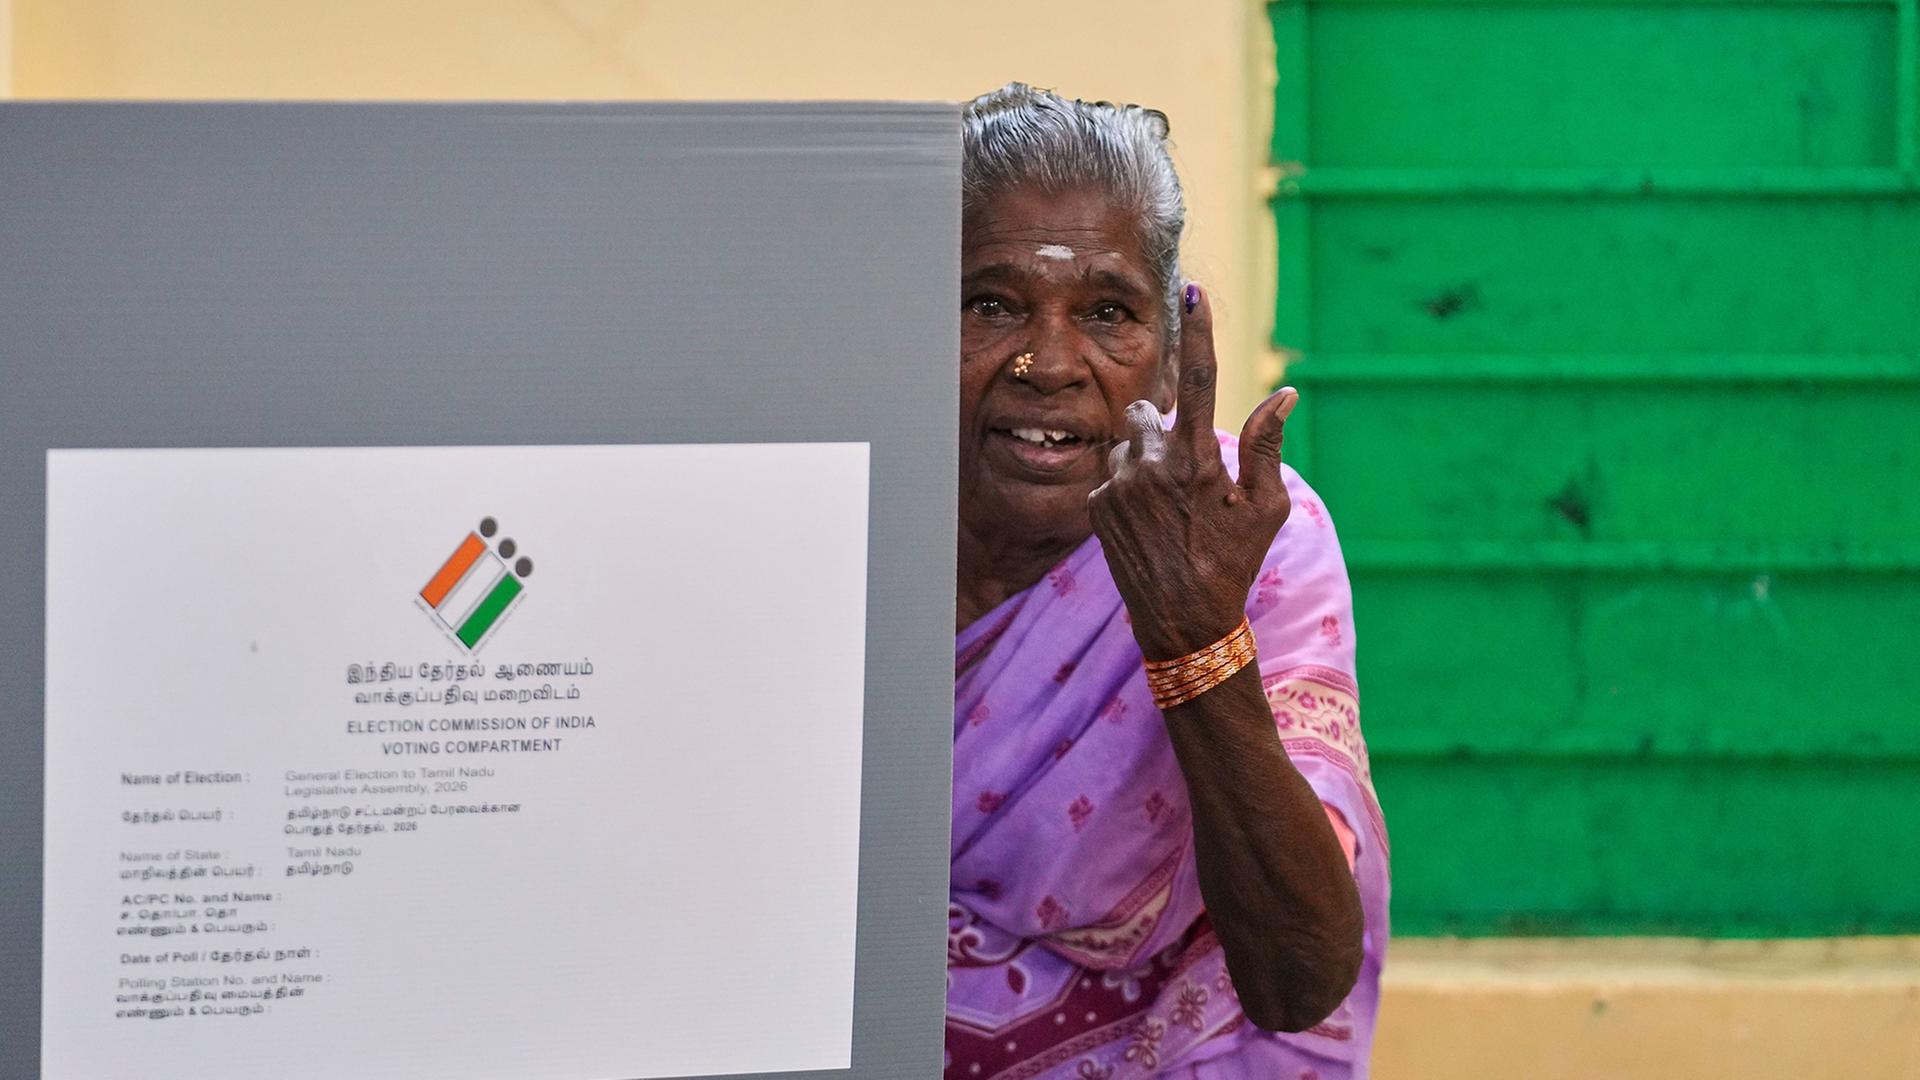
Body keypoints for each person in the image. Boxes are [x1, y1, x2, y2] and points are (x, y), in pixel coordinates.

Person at [948, 84, 1389, 1079]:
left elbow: (1295, 977)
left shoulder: (1251, 535)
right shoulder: (845, 520)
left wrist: (1195, 632)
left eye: (1108, 311)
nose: (1050, 363)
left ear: (1175, 350)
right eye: (990, 303)